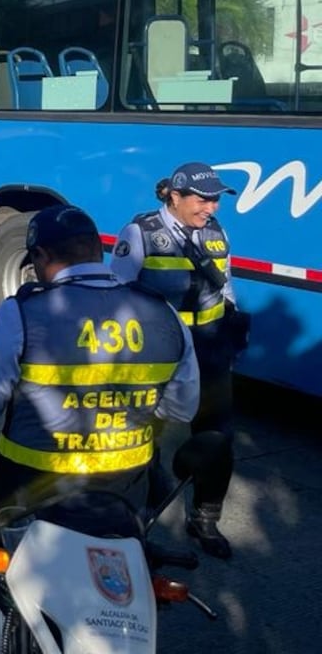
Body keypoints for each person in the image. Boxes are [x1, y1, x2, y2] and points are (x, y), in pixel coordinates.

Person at [0, 204, 200, 523]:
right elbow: (182, 409)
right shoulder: (165, 314)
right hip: (124, 495)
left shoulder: (20, 314)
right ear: (98, 250)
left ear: (42, 257)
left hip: (27, 499)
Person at [111, 162, 247, 558]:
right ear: (175, 196)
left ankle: (205, 519)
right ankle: (139, 516)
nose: (212, 208)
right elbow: (117, 295)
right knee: (141, 437)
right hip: (157, 356)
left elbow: (227, 285)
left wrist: (231, 329)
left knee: (218, 439)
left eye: (216, 200)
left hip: (208, 352)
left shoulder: (216, 231)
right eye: (203, 199)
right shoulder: (140, 233)